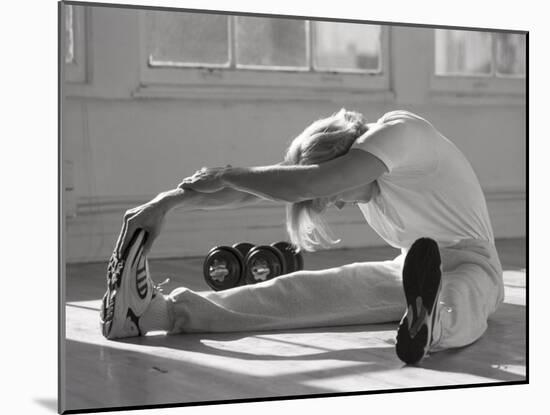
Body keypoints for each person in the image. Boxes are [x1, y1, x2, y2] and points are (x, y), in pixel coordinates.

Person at [99, 109, 504, 365]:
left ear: (344, 158)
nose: (334, 206)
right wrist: (166, 202)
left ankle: (431, 326)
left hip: (473, 262)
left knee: (463, 297)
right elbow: (256, 188)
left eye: (326, 198)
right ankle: (157, 314)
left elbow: (310, 182)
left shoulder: (398, 133)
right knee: (301, 292)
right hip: (408, 269)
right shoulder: (360, 169)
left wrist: (225, 171)